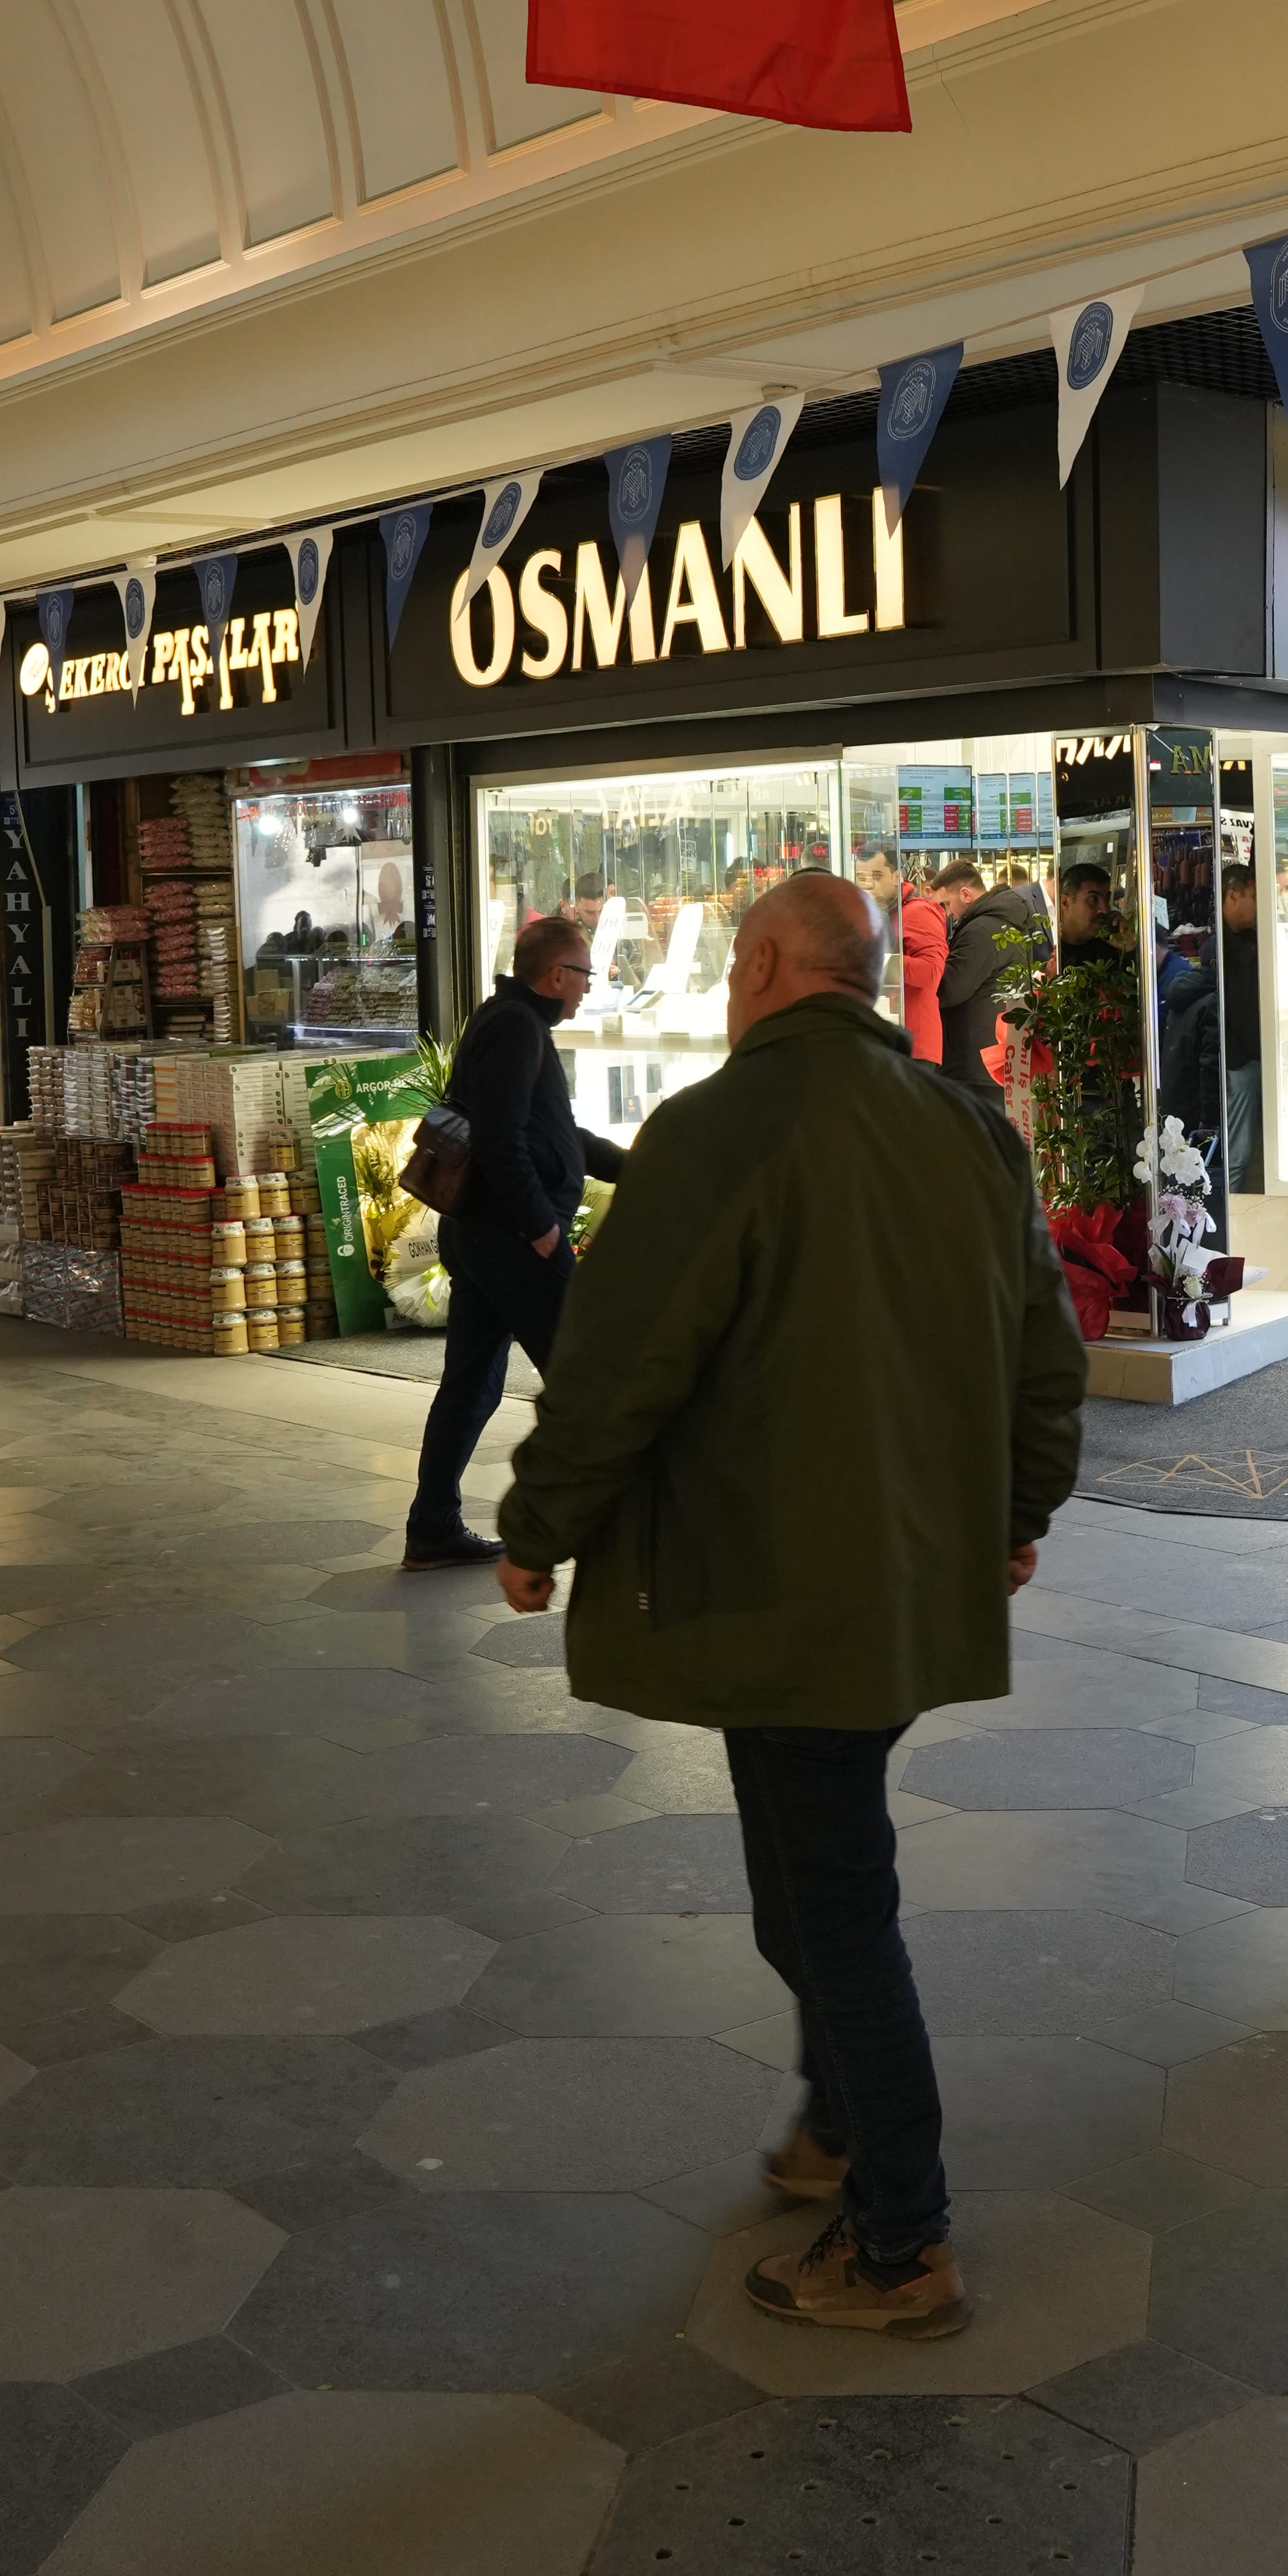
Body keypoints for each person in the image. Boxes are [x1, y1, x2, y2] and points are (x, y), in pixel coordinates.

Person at [493, 875, 1087, 2339]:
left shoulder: (716, 1130)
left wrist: (538, 1525)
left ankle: (901, 2239)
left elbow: (620, 1363)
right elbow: (1045, 1354)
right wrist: (1015, 1515)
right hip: (902, 1578)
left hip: (772, 1582)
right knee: (805, 1884)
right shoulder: (967, 1125)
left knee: (834, 1910)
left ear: (762, 963)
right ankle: (833, 2124)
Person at [403, 914, 632, 1570]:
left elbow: (550, 1133)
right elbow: (502, 1139)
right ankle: (610, 1530)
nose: (588, 987)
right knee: (583, 1383)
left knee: (471, 1384)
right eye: (585, 975)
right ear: (557, 974)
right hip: (510, 1239)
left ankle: (432, 1527)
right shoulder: (516, 1027)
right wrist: (540, 1227)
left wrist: (631, 1166)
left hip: (484, 1233)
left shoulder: (510, 1019)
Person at [933, 861, 1052, 1100]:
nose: (948, 913)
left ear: (966, 894)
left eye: (946, 904)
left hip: (973, 1058)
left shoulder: (979, 931)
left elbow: (950, 990)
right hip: (998, 1051)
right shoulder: (1007, 922)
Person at [860, 847, 947, 1064]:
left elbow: (931, 973)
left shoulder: (918, 912)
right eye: (862, 878)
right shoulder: (875, 914)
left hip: (914, 1044)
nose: (869, 884)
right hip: (884, 1038)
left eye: (877, 876)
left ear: (896, 876)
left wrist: (881, 961)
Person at [1222, 869, 1263, 1192]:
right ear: (1233, 896)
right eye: (1254, 896)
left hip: (1254, 1057)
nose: (1260, 904)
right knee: (1238, 1153)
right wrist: (1238, 1060)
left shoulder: (1254, 939)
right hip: (1239, 1063)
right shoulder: (1219, 947)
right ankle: (1229, 1211)